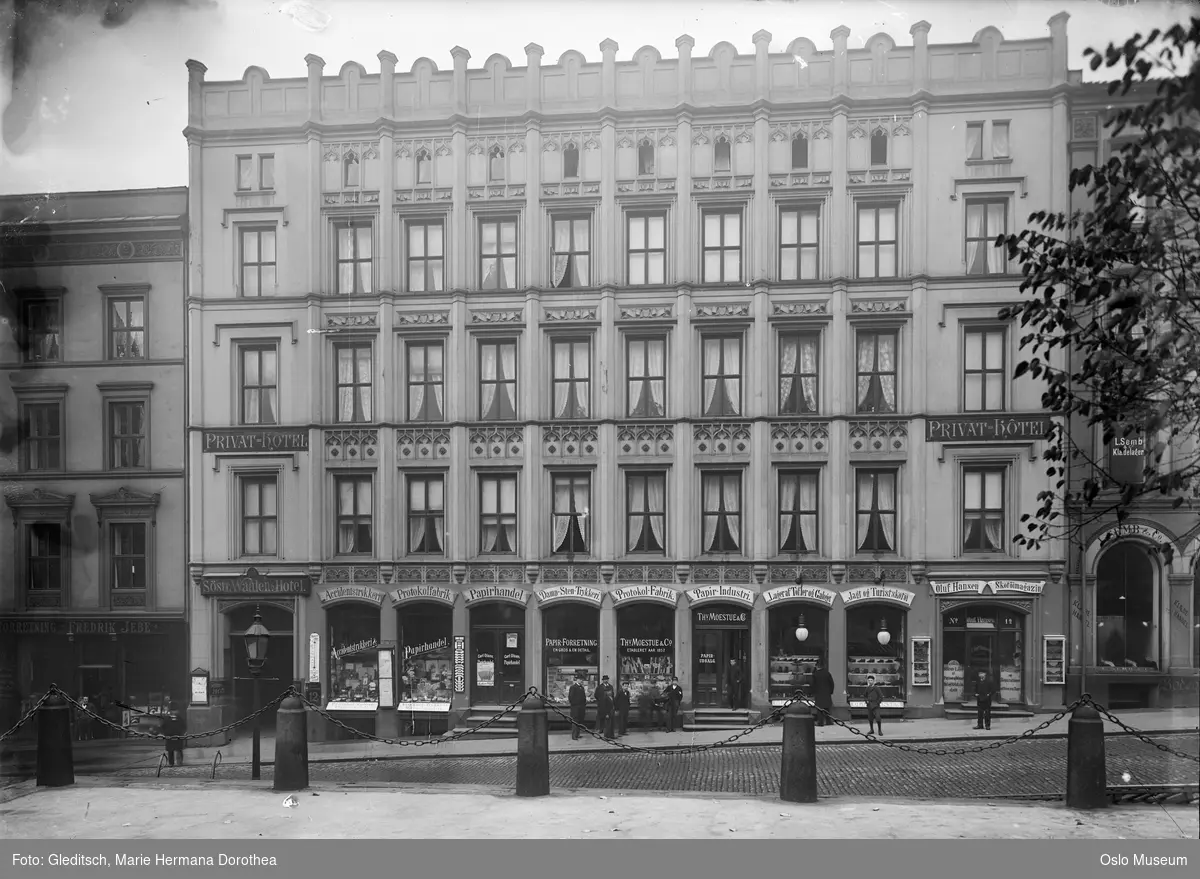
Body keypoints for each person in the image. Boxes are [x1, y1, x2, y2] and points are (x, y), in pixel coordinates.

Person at [810, 661, 835, 727]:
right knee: (827, 707)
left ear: (817, 666)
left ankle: (820, 722)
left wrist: (811, 692)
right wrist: (831, 691)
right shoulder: (827, 673)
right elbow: (831, 683)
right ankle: (828, 721)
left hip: (818, 693)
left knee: (819, 708)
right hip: (827, 693)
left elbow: (812, 684)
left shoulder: (815, 674)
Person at [162, 701, 186, 766]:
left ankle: (179, 762)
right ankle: (171, 763)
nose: (175, 712)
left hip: (178, 736)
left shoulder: (179, 719)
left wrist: (182, 733)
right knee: (171, 751)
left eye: (175, 710)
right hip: (170, 736)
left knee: (179, 750)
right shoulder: (167, 719)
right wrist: (165, 734)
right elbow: (163, 727)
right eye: (173, 710)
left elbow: (183, 726)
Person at [567, 674, 587, 740]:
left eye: (582, 680)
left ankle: (578, 734)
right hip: (575, 708)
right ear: (577, 680)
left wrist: (584, 704)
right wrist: (575, 705)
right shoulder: (573, 687)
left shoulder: (582, 687)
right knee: (575, 722)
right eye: (580, 679)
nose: (581, 681)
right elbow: (571, 697)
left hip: (581, 708)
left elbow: (583, 697)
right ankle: (574, 736)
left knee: (579, 722)